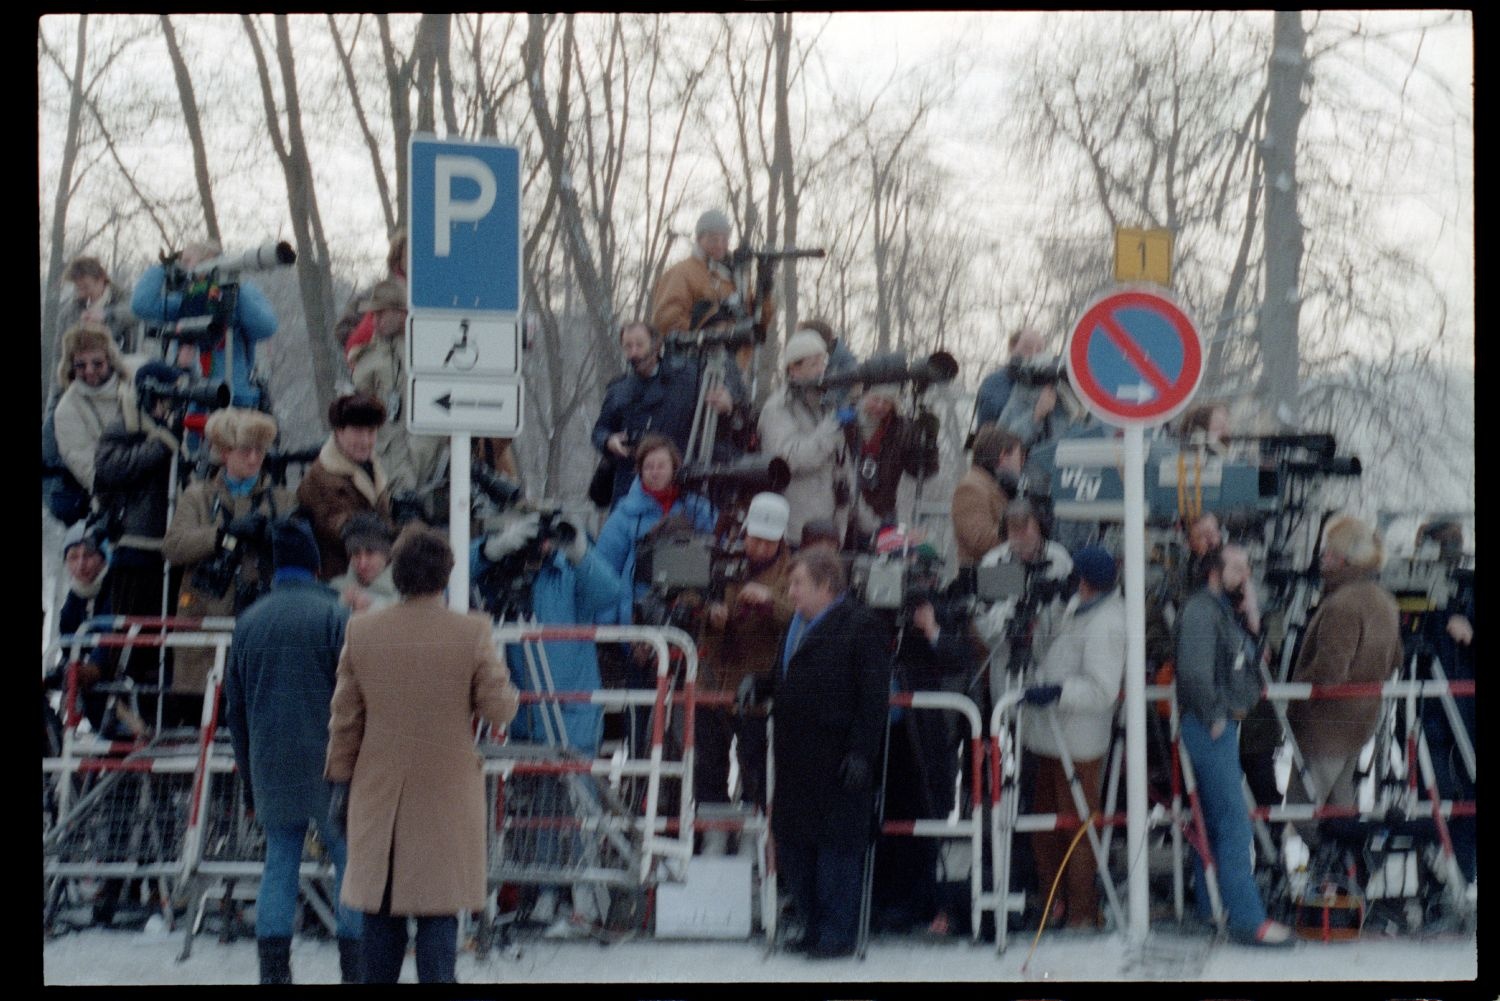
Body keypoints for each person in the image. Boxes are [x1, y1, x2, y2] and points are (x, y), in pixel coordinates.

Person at [325, 525, 519, 984]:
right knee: (438, 914)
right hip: (446, 795)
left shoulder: (363, 630)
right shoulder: (472, 631)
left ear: (398, 572)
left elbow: (344, 720)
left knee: (381, 913)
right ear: (446, 576)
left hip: (379, 791)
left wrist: (339, 781)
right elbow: (500, 708)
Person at [475, 507, 626, 932]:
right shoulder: (502, 573)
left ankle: (586, 896)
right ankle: (540, 891)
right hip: (524, 712)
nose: (539, 544)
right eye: (531, 535)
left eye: (545, 536)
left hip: (571, 710)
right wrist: (494, 547)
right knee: (535, 809)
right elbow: (461, 571)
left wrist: (577, 547)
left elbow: (609, 592)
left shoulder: (571, 572)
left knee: (579, 804)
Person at [225, 518, 362, 984]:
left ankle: (274, 971)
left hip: (270, 763)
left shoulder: (248, 623)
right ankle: (355, 968)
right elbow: (357, 698)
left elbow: (235, 712)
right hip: (333, 765)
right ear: (316, 565)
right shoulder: (336, 617)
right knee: (348, 862)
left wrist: (249, 776)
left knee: (279, 861)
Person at [770, 547, 890, 958]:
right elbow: (784, 674)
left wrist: (861, 752)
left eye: (798, 583)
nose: (791, 592)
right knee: (795, 846)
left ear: (825, 585)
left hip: (837, 760)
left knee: (836, 850)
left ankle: (838, 932)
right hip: (795, 760)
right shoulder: (796, 625)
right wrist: (761, 684)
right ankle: (812, 924)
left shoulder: (860, 625)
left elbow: (874, 698)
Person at [1175, 544, 1294, 946]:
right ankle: (1247, 917)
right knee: (1233, 821)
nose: (1246, 575)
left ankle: (1212, 904)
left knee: (1211, 820)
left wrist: (1253, 616)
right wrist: (1213, 717)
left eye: (1247, 567)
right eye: (1238, 568)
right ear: (1214, 571)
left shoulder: (1222, 613)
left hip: (1223, 723)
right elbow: (1193, 671)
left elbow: (1247, 665)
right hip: (1210, 726)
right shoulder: (1201, 613)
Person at [1017, 545, 1126, 930]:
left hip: (1078, 743)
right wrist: (1044, 611)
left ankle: (1082, 910)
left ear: (1086, 581)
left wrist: (1059, 692)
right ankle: (1053, 901)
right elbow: (1049, 652)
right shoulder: (1075, 610)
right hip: (1046, 737)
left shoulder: (1108, 622)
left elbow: (1103, 689)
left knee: (1077, 829)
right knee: (1043, 828)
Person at [162, 408, 292, 725]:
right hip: (205, 622)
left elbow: (303, 552)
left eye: (260, 450)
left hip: (261, 625)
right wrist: (222, 535)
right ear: (224, 453)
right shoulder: (198, 496)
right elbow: (173, 547)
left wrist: (275, 538)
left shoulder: (283, 500)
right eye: (245, 450)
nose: (254, 458)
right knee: (200, 723)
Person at [1285, 515, 1402, 850]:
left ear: (1342, 559)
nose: (1322, 559)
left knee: (1301, 807)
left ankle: (1315, 873)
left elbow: (1331, 670)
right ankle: (1347, 875)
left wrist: (1293, 690)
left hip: (1326, 726)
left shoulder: (1343, 604)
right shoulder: (1385, 601)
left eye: (1327, 553)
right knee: (1342, 810)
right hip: (1360, 722)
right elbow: (1395, 660)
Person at [699, 492, 794, 817]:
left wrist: (769, 602)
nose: (762, 548)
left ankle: (754, 831)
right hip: (712, 680)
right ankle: (711, 830)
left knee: (756, 765)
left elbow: (798, 615)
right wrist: (709, 612)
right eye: (756, 539)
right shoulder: (720, 557)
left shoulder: (792, 572)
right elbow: (687, 595)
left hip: (755, 686)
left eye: (770, 542)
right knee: (707, 765)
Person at [131, 240, 278, 408]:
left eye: (187, 261)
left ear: (207, 261)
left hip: (235, 397)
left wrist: (233, 289)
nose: (183, 267)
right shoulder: (186, 301)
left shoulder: (242, 292)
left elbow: (266, 327)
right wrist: (162, 268)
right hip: (195, 397)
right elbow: (141, 305)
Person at [593, 434, 717, 628]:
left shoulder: (699, 509)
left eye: (661, 466)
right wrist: (608, 626)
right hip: (639, 620)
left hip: (692, 613)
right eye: (648, 467)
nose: (654, 472)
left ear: (674, 467)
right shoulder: (624, 516)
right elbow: (603, 573)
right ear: (640, 471)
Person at [590, 322, 715, 508]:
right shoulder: (619, 390)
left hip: (677, 488)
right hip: (629, 488)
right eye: (628, 346)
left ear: (656, 346)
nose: (634, 353)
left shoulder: (687, 380)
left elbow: (721, 405)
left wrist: (728, 402)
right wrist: (609, 441)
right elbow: (600, 430)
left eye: (639, 345)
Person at [973, 497, 1075, 709]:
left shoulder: (1058, 559)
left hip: (1049, 660)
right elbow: (984, 621)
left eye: (1025, 529)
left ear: (1039, 528)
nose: (1020, 537)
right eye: (1013, 531)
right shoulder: (996, 563)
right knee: (1007, 715)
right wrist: (1011, 623)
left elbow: (1068, 610)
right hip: (1008, 662)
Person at [757, 330, 856, 543]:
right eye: (814, 365)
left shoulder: (824, 406)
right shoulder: (777, 409)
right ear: (794, 369)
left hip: (831, 530)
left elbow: (842, 467)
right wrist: (832, 427)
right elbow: (790, 459)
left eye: (823, 363)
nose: (822, 370)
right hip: (796, 530)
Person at [350, 278, 446, 495]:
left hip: (427, 454)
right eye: (373, 314)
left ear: (402, 312)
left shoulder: (431, 348)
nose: (375, 321)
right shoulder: (370, 355)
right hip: (386, 455)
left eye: (381, 313)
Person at [297, 393, 394, 580]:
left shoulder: (373, 468)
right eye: (358, 432)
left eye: (371, 432)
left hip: (374, 576)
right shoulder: (320, 477)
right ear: (339, 432)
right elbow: (341, 530)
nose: (365, 441)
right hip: (340, 580)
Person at [651, 209, 773, 339]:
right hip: (697, 357)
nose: (720, 245)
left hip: (737, 358)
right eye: (713, 239)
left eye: (724, 239)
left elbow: (757, 325)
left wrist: (764, 294)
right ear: (699, 239)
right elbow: (666, 322)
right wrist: (710, 333)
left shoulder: (736, 277)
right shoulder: (681, 273)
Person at [845, 382, 939, 550]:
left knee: (882, 571)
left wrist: (929, 442)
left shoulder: (901, 429)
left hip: (883, 513)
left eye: (887, 401)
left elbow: (920, 472)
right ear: (864, 397)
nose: (880, 406)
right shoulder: (847, 425)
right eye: (876, 399)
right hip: (846, 513)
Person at [51, 323, 132, 500]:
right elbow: (93, 474)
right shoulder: (66, 410)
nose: (89, 371)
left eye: (97, 363)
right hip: (114, 497)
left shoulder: (132, 385)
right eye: (81, 365)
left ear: (110, 360)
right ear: (71, 366)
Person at [951, 426, 1025, 572]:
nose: (1021, 465)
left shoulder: (991, 486)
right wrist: (1022, 532)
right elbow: (979, 540)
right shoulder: (971, 488)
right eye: (1019, 458)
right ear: (1003, 457)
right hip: (983, 578)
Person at [337, 229, 408, 365]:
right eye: (409, 255)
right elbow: (348, 337)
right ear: (397, 261)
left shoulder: (436, 297)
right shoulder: (378, 295)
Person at [59, 255, 136, 352]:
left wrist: (107, 315)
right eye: (78, 288)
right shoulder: (69, 312)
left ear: (101, 279)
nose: (81, 293)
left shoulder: (126, 300)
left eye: (86, 287)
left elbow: (136, 313)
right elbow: (61, 351)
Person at [973, 327, 1046, 429]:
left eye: (1039, 350)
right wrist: (1037, 413)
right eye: (1027, 347)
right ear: (1012, 347)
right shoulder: (994, 384)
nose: (1033, 354)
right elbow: (990, 436)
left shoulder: (1048, 387)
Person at [327, 514, 398, 614]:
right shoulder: (336, 589)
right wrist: (343, 607)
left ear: (386, 555)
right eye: (355, 554)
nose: (362, 563)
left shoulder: (404, 593)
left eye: (370, 553)